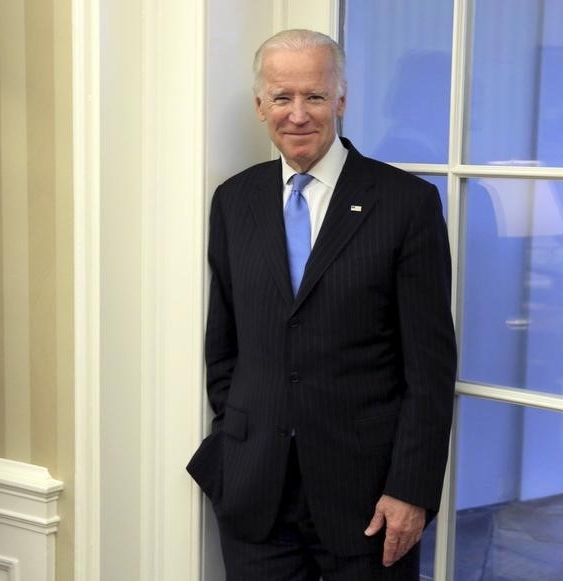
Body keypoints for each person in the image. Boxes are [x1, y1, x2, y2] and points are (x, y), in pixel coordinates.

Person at [187, 29, 457, 581]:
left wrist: (410, 488)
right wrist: (233, 445)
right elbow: (226, 345)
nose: (298, 114)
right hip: (256, 495)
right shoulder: (234, 201)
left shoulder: (406, 204)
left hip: (366, 504)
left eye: (313, 96)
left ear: (341, 100)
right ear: (260, 105)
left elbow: (430, 370)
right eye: (282, 98)